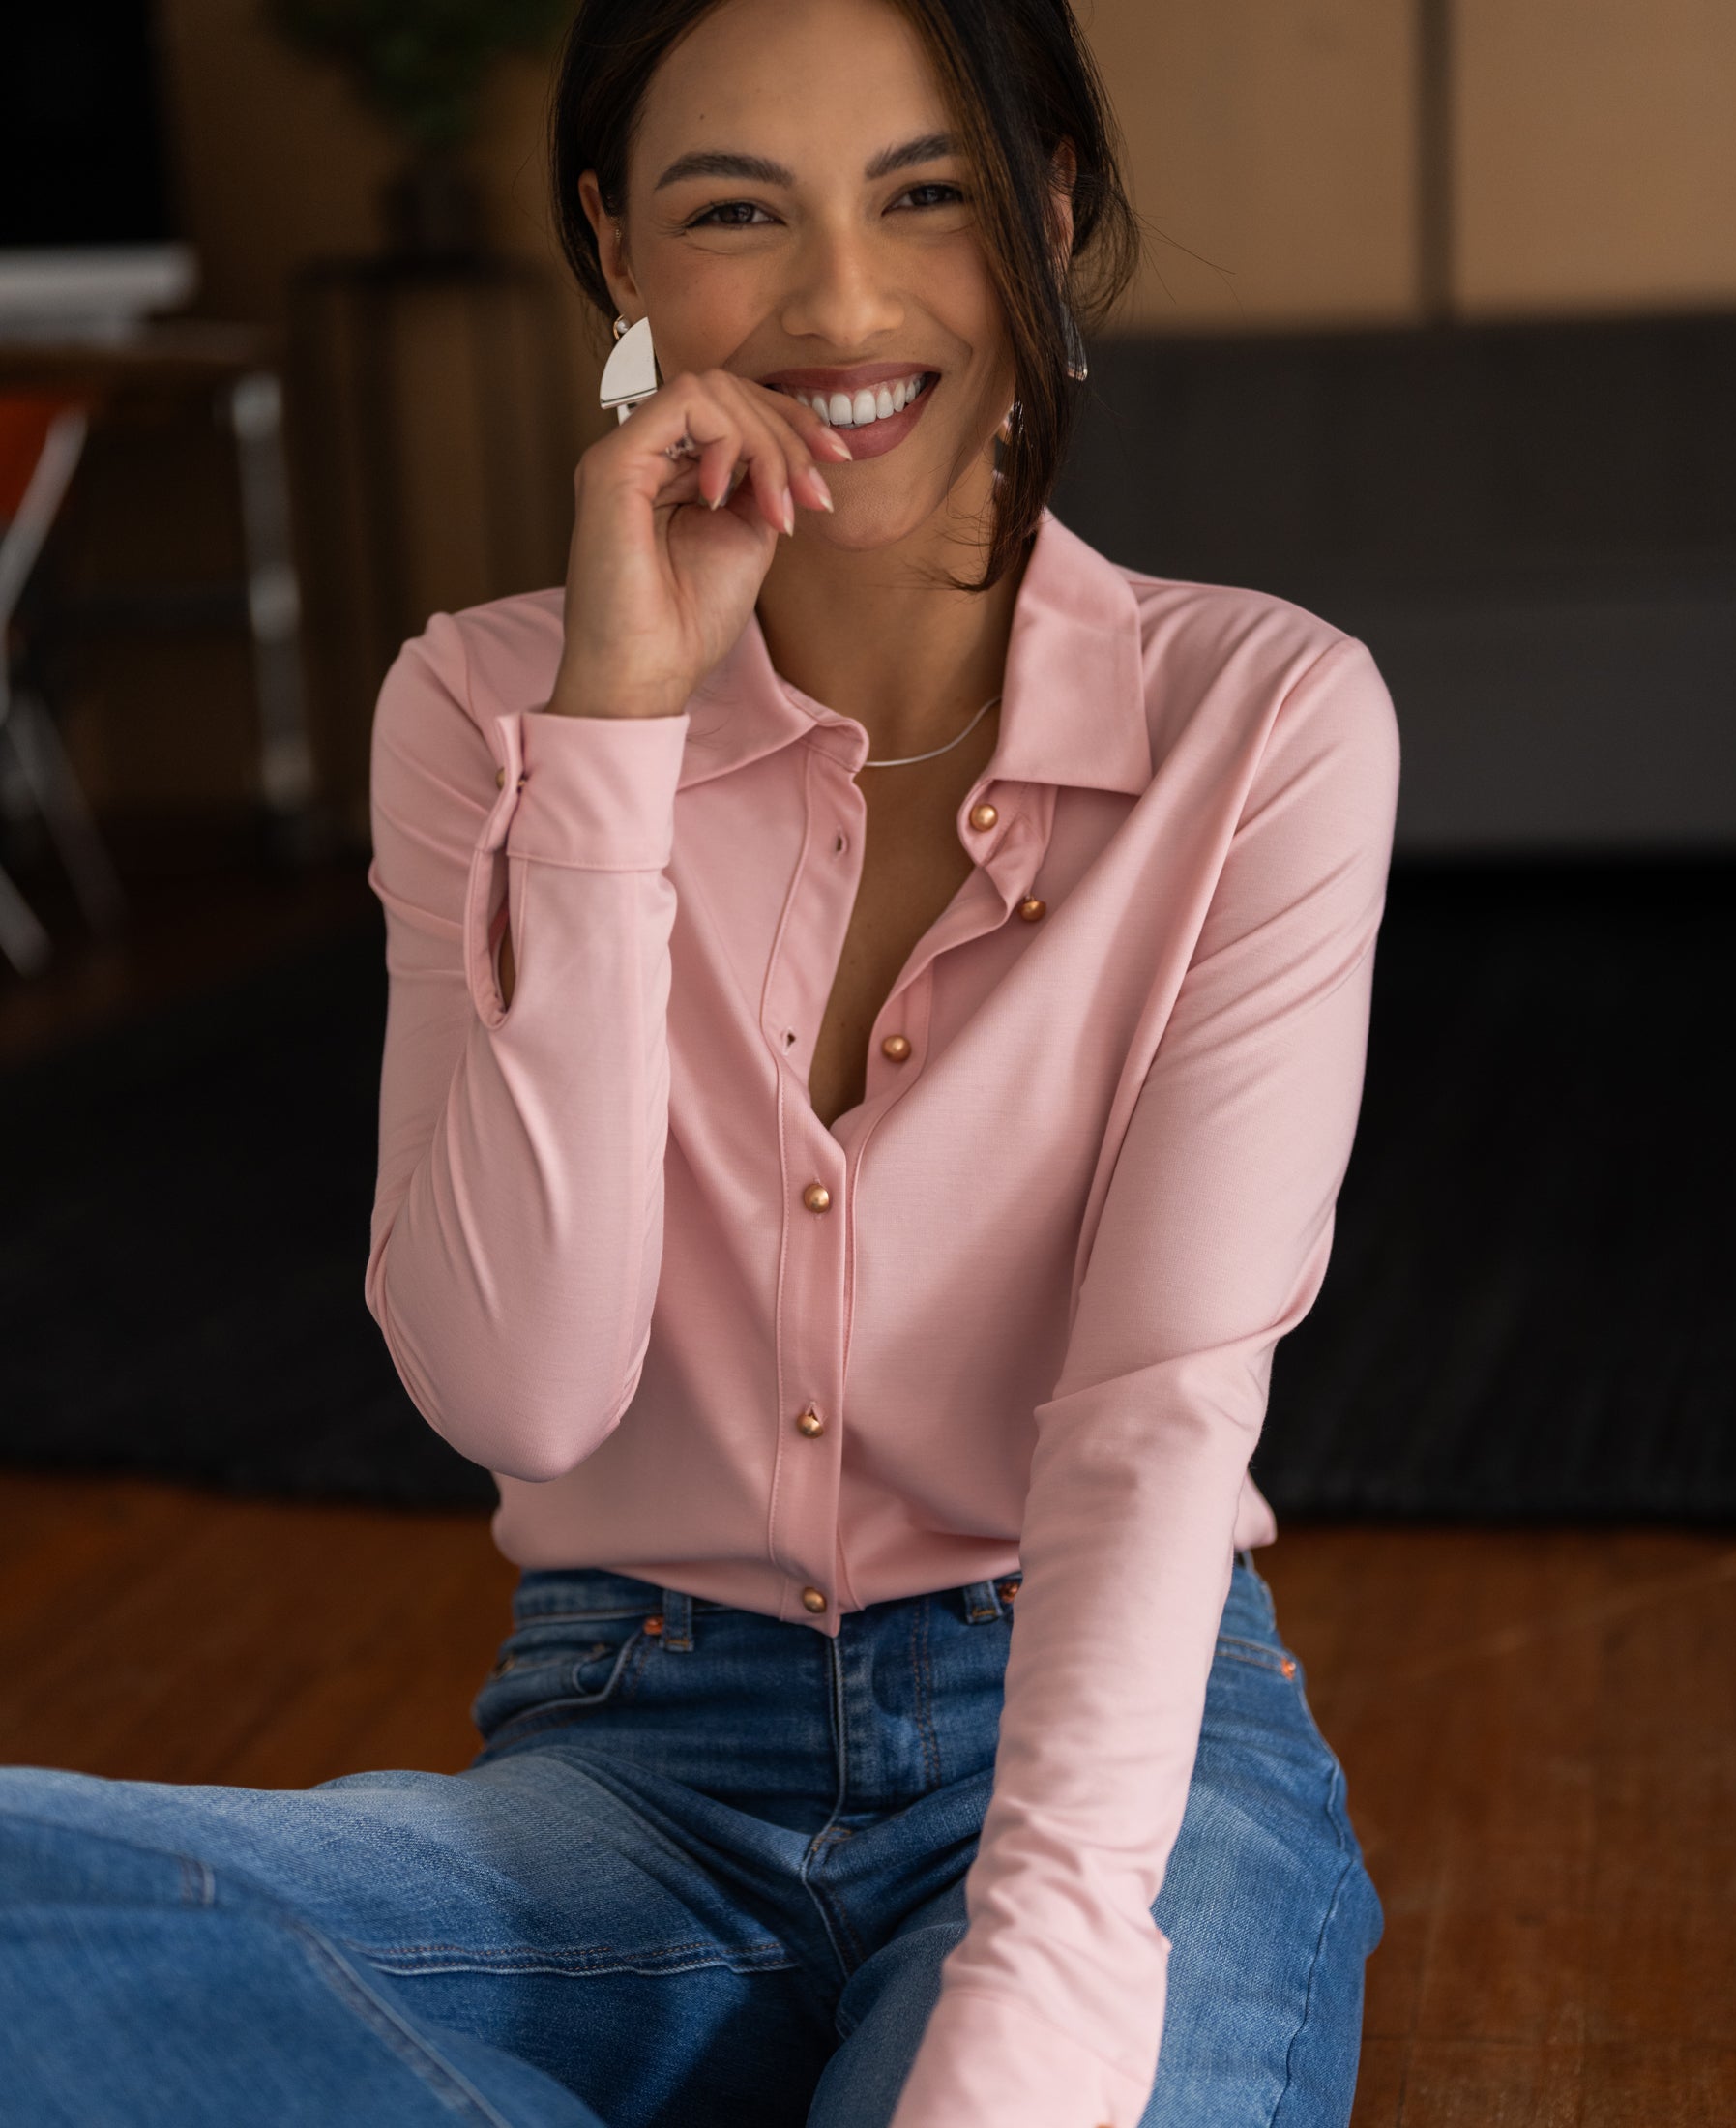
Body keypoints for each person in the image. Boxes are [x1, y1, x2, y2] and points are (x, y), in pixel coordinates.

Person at [0, 0, 1398, 2121]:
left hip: (1107, 1733)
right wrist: (615, 739)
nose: (843, 299)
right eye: (737, 210)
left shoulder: (1267, 722)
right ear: (618, 251)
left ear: (1051, 209)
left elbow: (1153, 1419)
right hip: (624, 1769)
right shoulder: (478, 710)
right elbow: (520, 1385)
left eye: (926, 194)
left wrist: (1018, 2017)